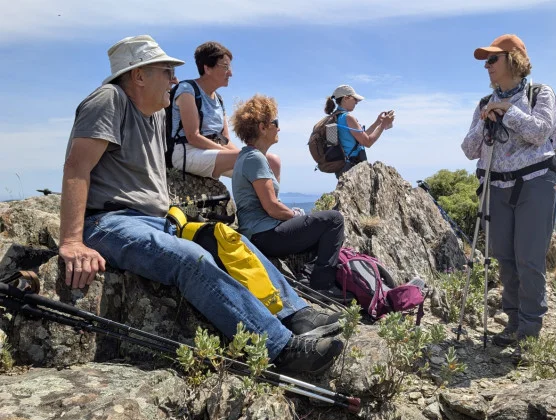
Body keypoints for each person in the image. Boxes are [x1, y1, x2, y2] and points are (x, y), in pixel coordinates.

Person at [58, 35, 343, 375]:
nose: (174, 79)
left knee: (229, 239)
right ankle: (281, 349)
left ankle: (296, 314)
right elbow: (76, 167)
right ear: (138, 76)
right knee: (191, 259)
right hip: (110, 221)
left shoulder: (154, 113)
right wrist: (71, 241)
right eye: (167, 71)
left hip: (156, 221)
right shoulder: (109, 99)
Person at [461, 34, 556, 350]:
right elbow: (469, 149)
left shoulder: (540, 93)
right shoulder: (484, 103)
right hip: (496, 186)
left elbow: (540, 131)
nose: (487, 66)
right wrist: (485, 121)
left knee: (529, 259)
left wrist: (508, 111)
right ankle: (514, 322)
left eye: (493, 59)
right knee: (505, 258)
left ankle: (530, 331)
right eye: (486, 61)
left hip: (535, 183)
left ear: (514, 59)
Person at [230, 95, 347, 302]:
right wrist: (295, 214)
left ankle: (307, 275)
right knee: (334, 220)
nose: (279, 128)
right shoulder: (255, 158)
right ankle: (322, 286)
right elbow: (272, 207)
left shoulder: (247, 156)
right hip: (264, 235)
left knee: (319, 230)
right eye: (275, 123)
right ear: (262, 127)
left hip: (258, 233)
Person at [169, 41, 281, 179]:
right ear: (207, 68)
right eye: (225, 67)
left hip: (214, 153)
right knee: (254, 159)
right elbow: (193, 136)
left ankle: (269, 194)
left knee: (272, 162)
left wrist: (244, 153)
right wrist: (239, 155)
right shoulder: (187, 90)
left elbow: (225, 140)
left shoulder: (219, 99)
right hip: (187, 152)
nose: (230, 73)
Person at [323, 84, 395, 178]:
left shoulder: (334, 117)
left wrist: (378, 122)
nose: (357, 102)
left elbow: (361, 138)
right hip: (353, 167)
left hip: (342, 167)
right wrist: (383, 125)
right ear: (345, 98)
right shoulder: (348, 117)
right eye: (355, 99)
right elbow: (367, 142)